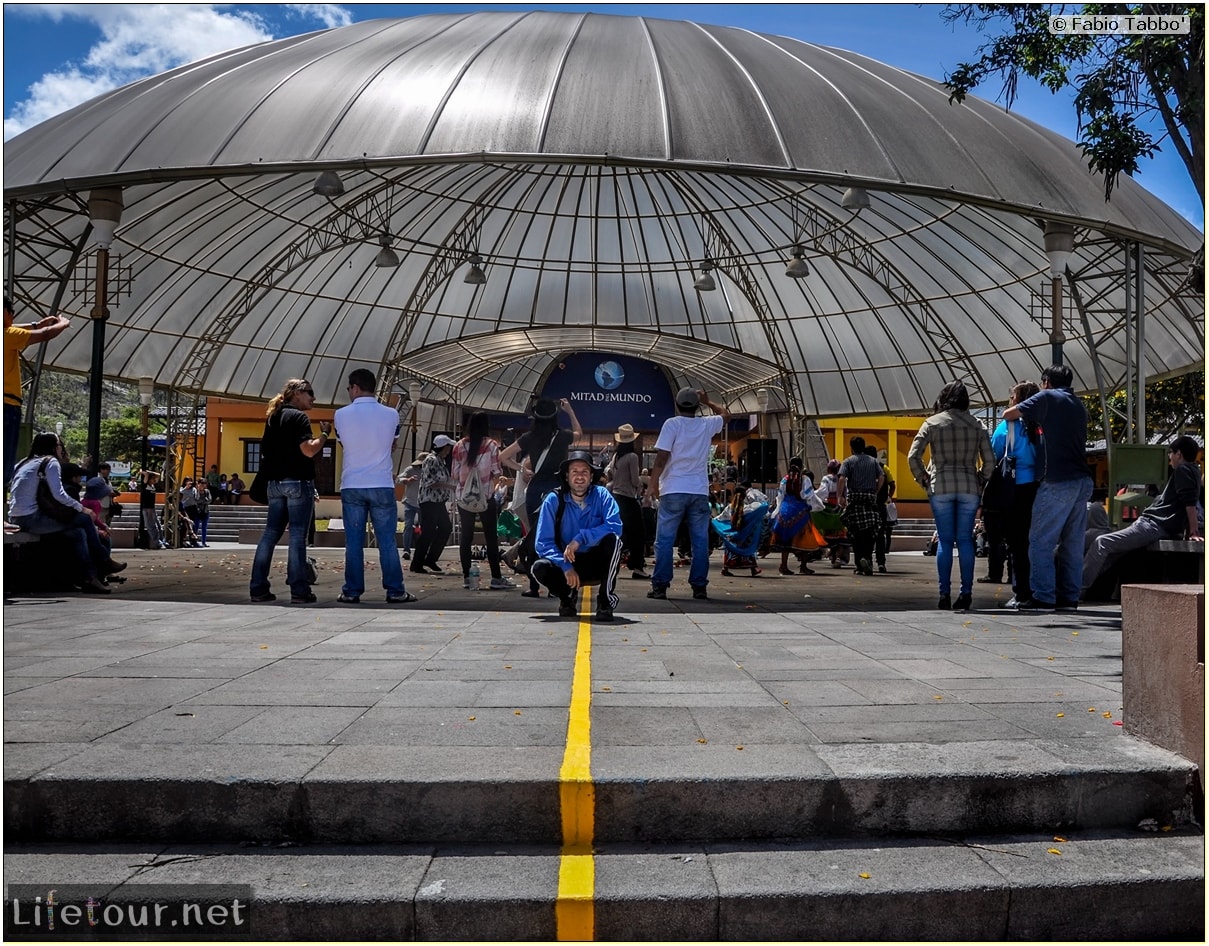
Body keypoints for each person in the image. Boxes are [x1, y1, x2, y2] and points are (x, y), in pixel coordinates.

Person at [1004, 364, 1093, 613]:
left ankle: (1043, 596)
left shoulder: (1046, 397)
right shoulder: (1078, 404)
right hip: (1082, 480)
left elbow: (1009, 414)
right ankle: (1068, 597)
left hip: (1057, 479)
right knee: (1072, 544)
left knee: (1040, 540)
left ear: (1046, 382)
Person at [332, 368, 417, 605]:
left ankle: (352, 591)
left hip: (352, 485)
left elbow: (343, 444)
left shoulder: (340, 415)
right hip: (381, 483)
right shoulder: (391, 414)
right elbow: (393, 445)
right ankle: (395, 590)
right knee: (387, 541)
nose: (349, 392)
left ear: (355, 387)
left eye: (349, 388)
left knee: (354, 542)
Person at [908, 382, 994, 611]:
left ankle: (944, 594)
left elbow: (912, 456)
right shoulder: (978, 425)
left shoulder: (932, 423)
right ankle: (966, 593)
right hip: (969, 487)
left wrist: (923, 478)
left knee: (945, 541)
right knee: (965, 539)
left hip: (941, 486)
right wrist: (981, 478)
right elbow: (990, 461)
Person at [1081, 435, 1203, 595]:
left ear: (1178, 454)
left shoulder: (1183, 470)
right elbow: (1189, 502)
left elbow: (1189, 503)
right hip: (1155, 525)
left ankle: (1073, 590)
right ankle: (1086, 591)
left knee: (1102, 543)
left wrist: (1193, 531)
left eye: (1170, 453)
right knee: (1112, 554)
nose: (1169, 457)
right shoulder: (1195, 471)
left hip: (1152, 525)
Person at [7, 432, 125, 593]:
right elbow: (59, 494)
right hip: (32, 518)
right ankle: (103, 561)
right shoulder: (50, 462)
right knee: (84, 519)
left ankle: (89, 577)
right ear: (54, 447)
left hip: (15, 518)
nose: (61, 449)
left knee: (77, 533)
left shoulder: (23, 463)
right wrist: (82, 508)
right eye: (60, 445)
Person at [647, 387, 729, 601]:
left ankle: (660, 586)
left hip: (673, 489)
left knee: (664, 540)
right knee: (700, 541)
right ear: (696, 406)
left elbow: (661, 458)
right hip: (699, 490)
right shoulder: (706, 424)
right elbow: (726, 414)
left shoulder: (671, 424)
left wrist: (651, 486)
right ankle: (699, 587)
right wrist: (708, 402)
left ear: (677, 405)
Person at [249, 378, 327, 603]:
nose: (314, 397)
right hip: (297, 483)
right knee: (297, 536)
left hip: (274, 484)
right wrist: (324, 435)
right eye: (310, 392)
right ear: (298, 393)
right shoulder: (300, 417)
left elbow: (265, 450)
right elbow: (308, 450)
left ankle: (258, 587)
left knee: (270, 533)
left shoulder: (273, 417)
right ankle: (299, 589)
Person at [500, 396, 582, 598]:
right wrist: (570, 411)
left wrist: (522, 469)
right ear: (555, 417)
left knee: (537, 537)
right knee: (558, 536)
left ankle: (534, 585)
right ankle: (557, 584)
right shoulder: (563, 436)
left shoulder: (530, 437)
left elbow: (502, 456)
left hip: (536, 489)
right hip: (557, 490)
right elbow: (579, 434)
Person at [531, 450, 623, 621]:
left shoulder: (602, 495)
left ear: (591, 477)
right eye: (575, 472)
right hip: (567, 562)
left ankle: (605, 600)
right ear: (567, 477)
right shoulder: (553, 500)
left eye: (584, 472)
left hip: (596, 561)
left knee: (614, 541)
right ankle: (567, 598)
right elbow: (543, 543)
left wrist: (580, 538)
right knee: (540, 567)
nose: (579, 477)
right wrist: (565, 567)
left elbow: (615, 526)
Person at [4, 297, 72, 489]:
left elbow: (20, 329)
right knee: (5, 462)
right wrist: (63, 324)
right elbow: (44, 334)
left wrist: (34, 324)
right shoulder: (7, 335)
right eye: (12, 312)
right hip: (7, 405)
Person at [987, 381, 1041, 608]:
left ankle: (1021, 591)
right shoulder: (1041, 425)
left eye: (1011, 399)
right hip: (1038, 488)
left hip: (1013, 489)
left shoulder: (1007, 427)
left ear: (1016, 401)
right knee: (1036, 541)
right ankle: (1041, 587)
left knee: (1017, 543)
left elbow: (993, 455)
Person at [451, 411, 515, 591]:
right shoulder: (491, 445)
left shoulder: (459, 446)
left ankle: (466, 577)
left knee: (466, 537)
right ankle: (496, 578)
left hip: (464, 498)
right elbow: (496, 472)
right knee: (491, 538)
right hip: (486, 497)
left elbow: (455, 474)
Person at [838, 436, 885, 579]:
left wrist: (840, 496)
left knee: (855, 532)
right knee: (871, 531)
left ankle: (859, 563)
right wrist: (876, 491)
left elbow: (841, 478)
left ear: (851, 448)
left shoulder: (848, 461)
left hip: (855, 500)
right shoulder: (873, 461)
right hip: (870, 500)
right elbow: (882, 476)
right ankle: (868, 559)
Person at [606, 423, 648, 579]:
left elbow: (609, 471)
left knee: (620, 534)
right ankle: (637, 566)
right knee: (638, 534)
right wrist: (644, 482)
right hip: (628, 499)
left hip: (616, 497)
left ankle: (612, 563)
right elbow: (635, 480)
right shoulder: (632, 457)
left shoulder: (617, 456)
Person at [770, 458, 824, 575]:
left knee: (786, 539)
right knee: (805, 538)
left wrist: (777, 511)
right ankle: (803, 566)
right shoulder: (805, 479)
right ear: (802, 466)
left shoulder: (784, 480)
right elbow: (808, 496)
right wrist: (814, 505)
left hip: (785, 511)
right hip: (799, 510)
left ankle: (783, 566)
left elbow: (780, 497)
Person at [411, 434, 456, 575]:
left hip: (438, 501)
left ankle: (430, 558)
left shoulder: (440, 460)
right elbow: (428, 482)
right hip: (429, 501)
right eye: (448, 447)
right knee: (428, 531)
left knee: (445, 528)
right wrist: (448, 486)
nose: (449, 450)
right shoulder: (431, 460)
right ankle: (417, 562)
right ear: (443, 447)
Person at [714, 482, 770, 577]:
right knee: (748, 550)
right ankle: (753, 568)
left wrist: (716, 524)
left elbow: (720, 519)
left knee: (730, 549)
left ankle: (726, 568)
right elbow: (763, 506)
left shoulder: (729, 508)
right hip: (745, 536)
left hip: (733, 536)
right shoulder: (748, 508)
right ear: (744, 496)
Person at [869, 446, 896, 573]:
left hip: (868, 505)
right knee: (880, 535)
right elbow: (892, 485)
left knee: (867, 534)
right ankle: (881, 563)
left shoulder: (866, 469)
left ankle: (867, 560)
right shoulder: (884, 468)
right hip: (881, 505)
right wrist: (888, 498)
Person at [397, 453, 426, 562]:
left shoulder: (430, 470)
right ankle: (406, 550)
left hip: (423, 503)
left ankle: (422, 549)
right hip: (410, 502)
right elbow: (399, 479)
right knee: (408, 525)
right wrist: (407, 480)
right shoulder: (410, 469)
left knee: (424, 527)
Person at [138, 470, 168, 549]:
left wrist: (149, 472)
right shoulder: (145, 485)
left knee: (158, 525)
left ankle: (162, 540)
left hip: (152, 507)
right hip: (147, 508)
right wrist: (145, 474)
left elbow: (158, 474)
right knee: (151, 526)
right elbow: (146, 477)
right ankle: (157, 542)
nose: (154, 480)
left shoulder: (152, 486)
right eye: (152, 478)